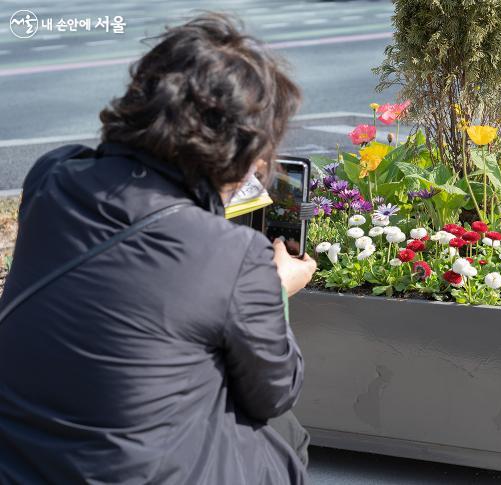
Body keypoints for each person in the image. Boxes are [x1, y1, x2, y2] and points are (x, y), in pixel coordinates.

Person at [0, 13, 316, 484]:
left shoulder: (52, 177)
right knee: (283, 434)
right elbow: (274, 392)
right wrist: (272, 289)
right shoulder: (234, 258)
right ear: (243, 150)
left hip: (18, 460)